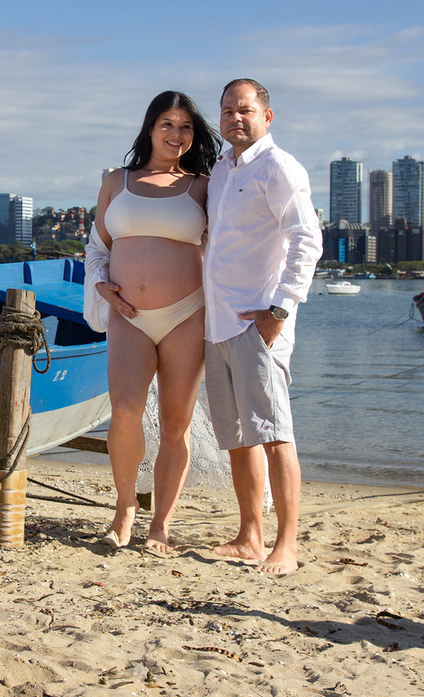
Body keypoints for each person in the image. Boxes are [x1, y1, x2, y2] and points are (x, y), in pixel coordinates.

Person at [84, 91, 221, 551]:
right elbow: (97, 248)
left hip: (187, 313)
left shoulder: (205, 185)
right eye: (167, 123)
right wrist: (101, 285)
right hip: (129, 316)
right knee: (124, 412)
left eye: (185, 127)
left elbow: (230, 245)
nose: (176, 134)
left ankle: (160, 523)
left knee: (175, 424)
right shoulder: (114, 181)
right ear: (150, 128)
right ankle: (125, 509)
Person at [204, 79, 322, 575]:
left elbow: (306, 241)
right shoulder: (219, 172)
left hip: (259, 323)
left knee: (275, 434)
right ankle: (249, 535)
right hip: (217, 324)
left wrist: (279, 311)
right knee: (236, 437)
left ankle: (286, 545)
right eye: (228, 110)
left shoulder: (279, 167)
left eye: (246, 110)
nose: (236, 117)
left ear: (266, 117)